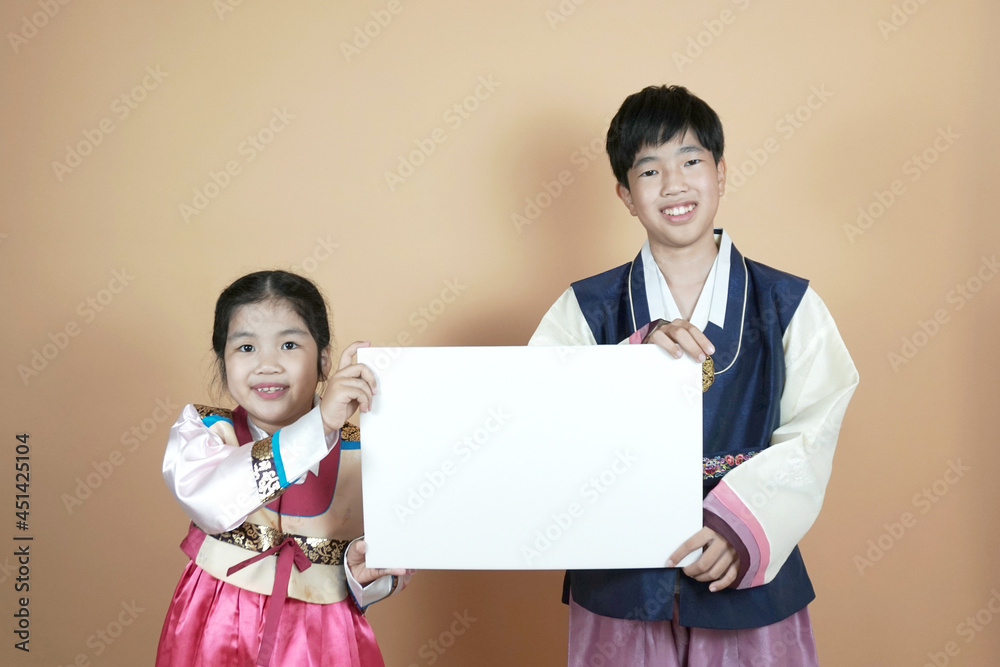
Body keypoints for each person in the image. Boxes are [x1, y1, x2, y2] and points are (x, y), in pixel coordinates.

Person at [529, 85, 859, 666]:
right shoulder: (585, 308)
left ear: (721, 172)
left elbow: (814, 432)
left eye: (690, 161)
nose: (673, 184)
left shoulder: (787, 303)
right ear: (625, 194)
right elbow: (537, 415)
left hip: (747, 576)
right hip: (619, 577)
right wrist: (628, 359)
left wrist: (739, 528)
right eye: (648, 170)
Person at [157, 270, 411, 667]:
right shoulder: (205, 431)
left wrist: (361, 577)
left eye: (289, 344)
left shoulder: (365, 452)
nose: (267, 365)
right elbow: (211, 501)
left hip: (324, 635)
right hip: (215, 625)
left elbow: (388, 559)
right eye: (245, 347)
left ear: (324, 360)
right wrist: (319, 425)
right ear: (223, 362)